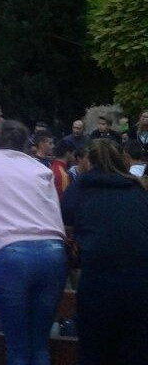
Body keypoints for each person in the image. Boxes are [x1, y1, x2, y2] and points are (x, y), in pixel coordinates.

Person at [0, 120, 67, 365]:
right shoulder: (39, 169)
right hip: (53, 250)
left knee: (16, 347)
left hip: (11, 250)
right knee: (40, 345)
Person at [61, 138, 148, 365]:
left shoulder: (80, 188)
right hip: (138, 282)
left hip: (97, 280)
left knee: (94, 350)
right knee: (134, 351)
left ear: (88, 161)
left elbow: (64, 216)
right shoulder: (137, 189)